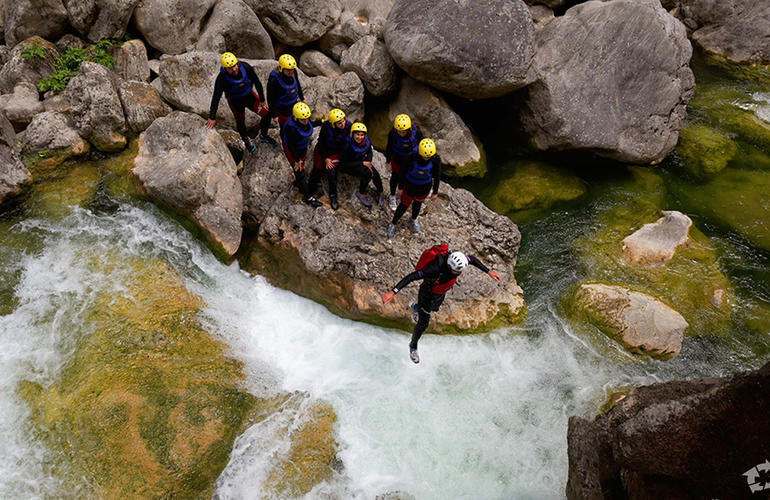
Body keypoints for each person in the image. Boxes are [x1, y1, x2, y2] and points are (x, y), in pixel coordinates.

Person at [381, 246, 501, 363]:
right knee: (423, 324)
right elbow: (412, 277)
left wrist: (488, 271)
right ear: (449, 266)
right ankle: (413, 347)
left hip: (440, 293)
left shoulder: (457, 259)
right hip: (427, 294)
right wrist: (393, 291)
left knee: (434, 308)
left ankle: (416, 307)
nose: (458, 273)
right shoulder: (434, 268)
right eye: (457, 271)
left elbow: (472, 259)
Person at [206, 52, 276, 152]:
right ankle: (245, 139)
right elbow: (216, 97)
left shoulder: (246, 67)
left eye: (235, 65)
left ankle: (263, 135)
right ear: (225, 69)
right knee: (240, 122)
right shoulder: (222, 79)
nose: (234, 69)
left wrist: (262, 99)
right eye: (230, 68)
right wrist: (212, 117)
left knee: (267, 114)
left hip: (249, 96)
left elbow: (257, 82)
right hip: (235, 102)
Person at [387, 138, 441, 239]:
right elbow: (402, 172)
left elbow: (437, 175)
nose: (426, 158)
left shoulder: (435, 159)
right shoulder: (411, 156)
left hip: (424, 186)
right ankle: (393, 223)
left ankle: (414, 218)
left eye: (428, 156)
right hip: (410, 185)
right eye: (425, 155)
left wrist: (435, 192)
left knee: (418, 203)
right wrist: (401, 187)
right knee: (403, 205)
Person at [307, 108, 350, 211]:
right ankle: (309, 191)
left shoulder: (348, 127)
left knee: (331, 171)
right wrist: (326, 158)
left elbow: (348, 144)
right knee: (317, 169)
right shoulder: (327, 127)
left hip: (336, 153)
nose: (342, 124)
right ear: (333, 124)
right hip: (324, 150)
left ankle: (333, 196)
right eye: (339, 123)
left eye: (343, 121)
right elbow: (321, 143)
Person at [281, 102, 322, 208]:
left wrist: (321, 122)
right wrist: (297, 160)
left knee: (301, 167)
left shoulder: (303, 121)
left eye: (307, 118)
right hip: (292, 150)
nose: (306, 121)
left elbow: (310, 124)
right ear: (296, 118)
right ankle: (308, 198)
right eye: (303, 119)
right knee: (300, 171)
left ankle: (298, 182)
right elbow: (291, 146)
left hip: (301, 147)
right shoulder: (291, 129)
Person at [340, 122, 384, 208]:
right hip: (350, 165)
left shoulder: (366, 141)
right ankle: (361, 193)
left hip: (361, 161)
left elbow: (369, 152)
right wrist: (363, 163)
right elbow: (345, 163)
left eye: (362, 135)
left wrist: (368, 162)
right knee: (367, 174)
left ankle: (381, 192)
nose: (360, 137)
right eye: (357, 134)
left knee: (376, 175)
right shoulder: (347, 145)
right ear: (352, 134)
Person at [385, 114, 423, 210]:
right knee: (395, 177)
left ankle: (404, 194)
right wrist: (388, 162)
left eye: (403, 131)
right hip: (397, 159)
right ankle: (392, 196)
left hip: (410, 160)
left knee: (407, 178)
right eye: (399, 131)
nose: (401, 133)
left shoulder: (416, 132)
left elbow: (421, 144)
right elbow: (389, 147)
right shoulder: (393, 133)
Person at [267, 54, 304, 130]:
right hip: (282, 107)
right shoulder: (274, 80)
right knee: (286, 127)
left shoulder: (294, 72)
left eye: (292, 69)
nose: (291, 72)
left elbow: (297, 84)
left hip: (293, 102)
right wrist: (274, 115)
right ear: (281, 68)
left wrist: (302, 98)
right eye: (288, 70)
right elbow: (270, 98)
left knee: (297, 123)